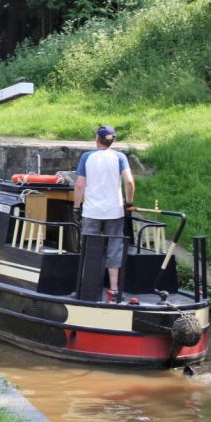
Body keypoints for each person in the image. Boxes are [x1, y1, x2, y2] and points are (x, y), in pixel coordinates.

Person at [72, 125, 135, 297]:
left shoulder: (87, 157)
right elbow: (129, 182)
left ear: (96, 139)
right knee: (115, 246)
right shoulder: (119, 156)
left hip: (92, 211)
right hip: (115, 211)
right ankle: (114, 288)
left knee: (89, 247)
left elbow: (79, 185)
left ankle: (87, 288)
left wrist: (77, 207)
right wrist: (128, 203)